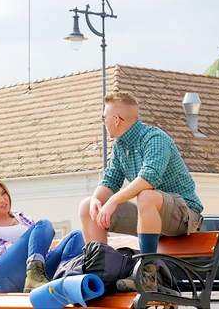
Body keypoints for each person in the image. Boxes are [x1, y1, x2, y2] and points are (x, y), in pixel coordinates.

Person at [78, 91, 204, 290]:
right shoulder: (120, 146)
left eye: (104, 117)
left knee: (145, 195)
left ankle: (148, 276)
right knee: (87, 207)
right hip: (150, 216)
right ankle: (101, 275)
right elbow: (110, 181)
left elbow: (148, 179)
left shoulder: (154, 138)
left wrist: (113, 202)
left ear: (117, 119)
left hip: (184, 215)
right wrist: (97, 199)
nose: (103, 121)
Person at [0, 177, 84, 293]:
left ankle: (61, 277)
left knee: (77, 236)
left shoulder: (23, 218)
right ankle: (34, 276)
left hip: (35, 272)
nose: (2, 200)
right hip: (3, 276)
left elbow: (38, 247)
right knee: (43, 224)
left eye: (4, 194)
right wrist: (10, 247)